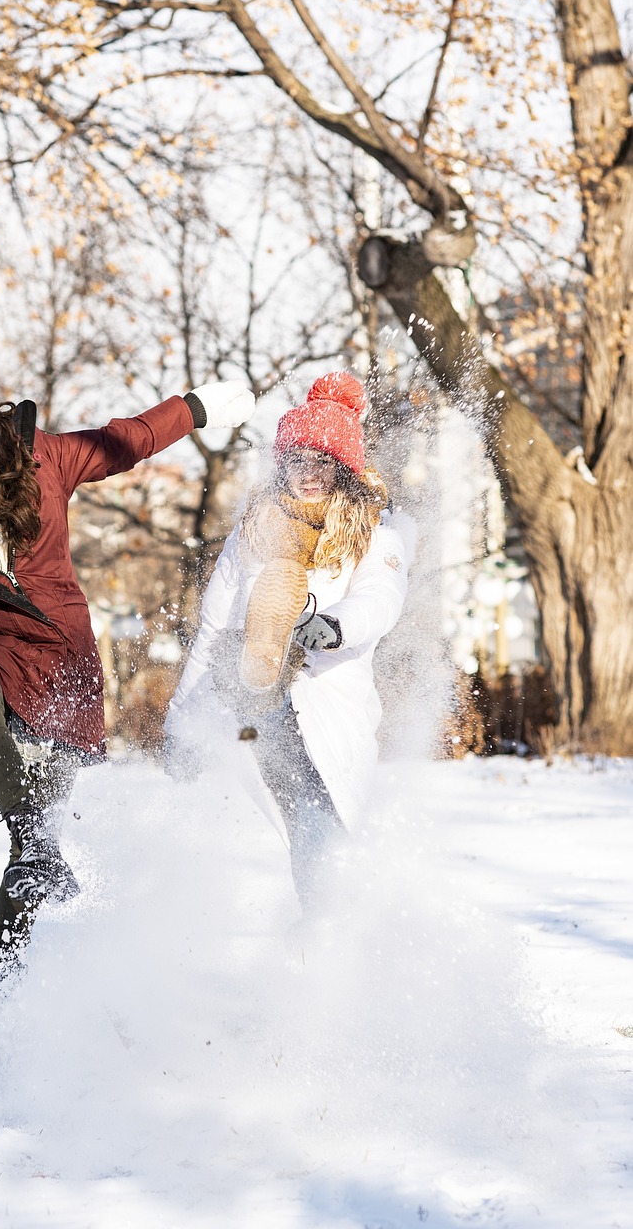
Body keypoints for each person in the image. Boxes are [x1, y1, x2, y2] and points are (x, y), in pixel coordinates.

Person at [0, 336, 255, 979]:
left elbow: (127, 439)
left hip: (61, 647)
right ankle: (32, 838)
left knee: (39, 831)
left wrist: (195, 409)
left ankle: (4, 974)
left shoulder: (42, 458)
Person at [164, 370, 414, 909]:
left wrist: (337, 625)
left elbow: (382, 596)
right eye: (298, 458)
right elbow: (210, 627)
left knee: (318, 821)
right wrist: (182, 722)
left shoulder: (375, 531)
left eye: (323, 461)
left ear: (344, 467)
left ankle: (332, 938)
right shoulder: (255, 527)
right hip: (255, 709)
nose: (309, 473)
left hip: (327, 699)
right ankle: (273, 953)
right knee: (262, 835)